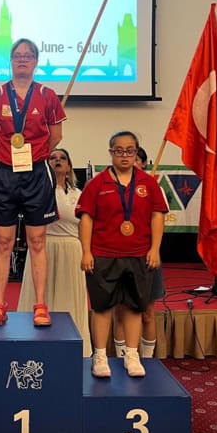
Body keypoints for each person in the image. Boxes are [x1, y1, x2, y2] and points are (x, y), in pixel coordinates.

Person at [0, 38, 66, 327]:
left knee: (37, 241)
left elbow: (56, 135)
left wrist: (34, 155)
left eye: (28, 55)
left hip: (37, 173)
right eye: (18, 55)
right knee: (3, 241)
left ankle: (40, 305)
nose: (23, 59)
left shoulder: (47, 95)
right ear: (11, 61)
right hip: (4, 173)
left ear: (36, 61)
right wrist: (10, 155)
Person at [76, 131, 168, 378]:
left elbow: (157, 216)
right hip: (103, 255)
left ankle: (132, 354)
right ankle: (100, 356)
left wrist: (154, 249)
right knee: (102, 307)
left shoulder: (148, 183)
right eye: (119, 150)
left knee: (134, 307)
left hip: (139, 255)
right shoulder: (97, 184)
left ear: (136, 153)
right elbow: (86, 219)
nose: (124, 155)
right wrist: (86, 251)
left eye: (129, 150)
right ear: (111, 153)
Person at [17, 148, 92, 355]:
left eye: (62, 158)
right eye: (52, 158)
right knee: (39, 297)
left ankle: (71, 349)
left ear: (69, 166)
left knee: (70, 299)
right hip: (43, 248)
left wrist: (87, 252)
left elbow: (85, 226)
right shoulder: (36, 192)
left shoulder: (80, 195)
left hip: (72, 250)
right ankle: (31, 346)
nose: (58, 161)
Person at [113, 147, 167, 358]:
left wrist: (154, 250)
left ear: (143, 163)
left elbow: (159, 223)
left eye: (136, 159)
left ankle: (148, 360)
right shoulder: (111, 187)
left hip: (146, 257)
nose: (130, 161)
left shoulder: (153, 188)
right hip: (119, 257)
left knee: (147, 313)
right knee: (120, 311)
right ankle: (121, 359)